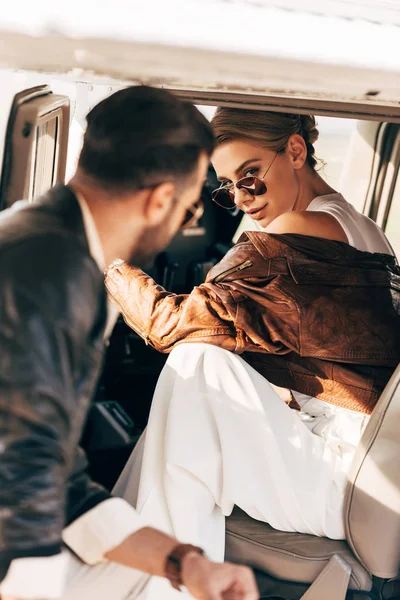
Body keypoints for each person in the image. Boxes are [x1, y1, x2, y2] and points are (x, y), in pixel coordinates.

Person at [105, 108, 400, 598]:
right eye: (226, 189)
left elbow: (171, 326)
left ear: (296, 151)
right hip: (364, 467)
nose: (242, 200)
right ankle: (138, 568)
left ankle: (139, 573)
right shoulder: (362, 228)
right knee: (202, 383)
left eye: (250, 179)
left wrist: (106, 257)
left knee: (194, 363)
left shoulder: (297, 231)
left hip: (346, 487)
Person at [0, 88, 259, 600]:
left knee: (159, 580)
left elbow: (59, 476)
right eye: (188, 210)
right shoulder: (52, 272)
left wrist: (186, 564)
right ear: (160, 199)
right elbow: (21, 472)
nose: (184, 224)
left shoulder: (45, 238)